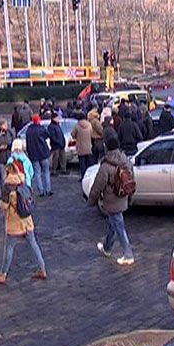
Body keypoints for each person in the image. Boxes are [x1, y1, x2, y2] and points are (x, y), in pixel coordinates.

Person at [0, 163, 47, 284]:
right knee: (34, 244)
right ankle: (42, 269)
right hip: (27, 219)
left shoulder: (8, 186)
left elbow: (4, 206)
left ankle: (3, 274)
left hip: (14, 222)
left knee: (9, 247)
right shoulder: (23, 182)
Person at [87, 135, 135, 266]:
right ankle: (107, 248)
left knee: (119, 227)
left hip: (111, 201)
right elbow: (131, 179)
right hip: (123, 197)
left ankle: (128, 255)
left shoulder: (106, 165)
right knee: (113, 225)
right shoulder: (125, 160)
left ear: (106, 147)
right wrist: (130, 197)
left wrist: (91, 200)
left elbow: (98, 185)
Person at [25, 115, 52, 197]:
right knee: (46, 172)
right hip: (43, 153)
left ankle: (41, 191)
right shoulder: (41, 129)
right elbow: (48, 135)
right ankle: (48, 190)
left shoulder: (28, 131)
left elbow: (27, 144)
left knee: (37, 173)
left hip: (34, 154)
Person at [71, 112, 94, 178]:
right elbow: (91, 133)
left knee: (82, 163)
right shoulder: (89, 125)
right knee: (88, 162)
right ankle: (88, 176)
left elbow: (73, 135)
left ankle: (83, 176)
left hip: (80, 146)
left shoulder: (77, 126)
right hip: (88, 146)